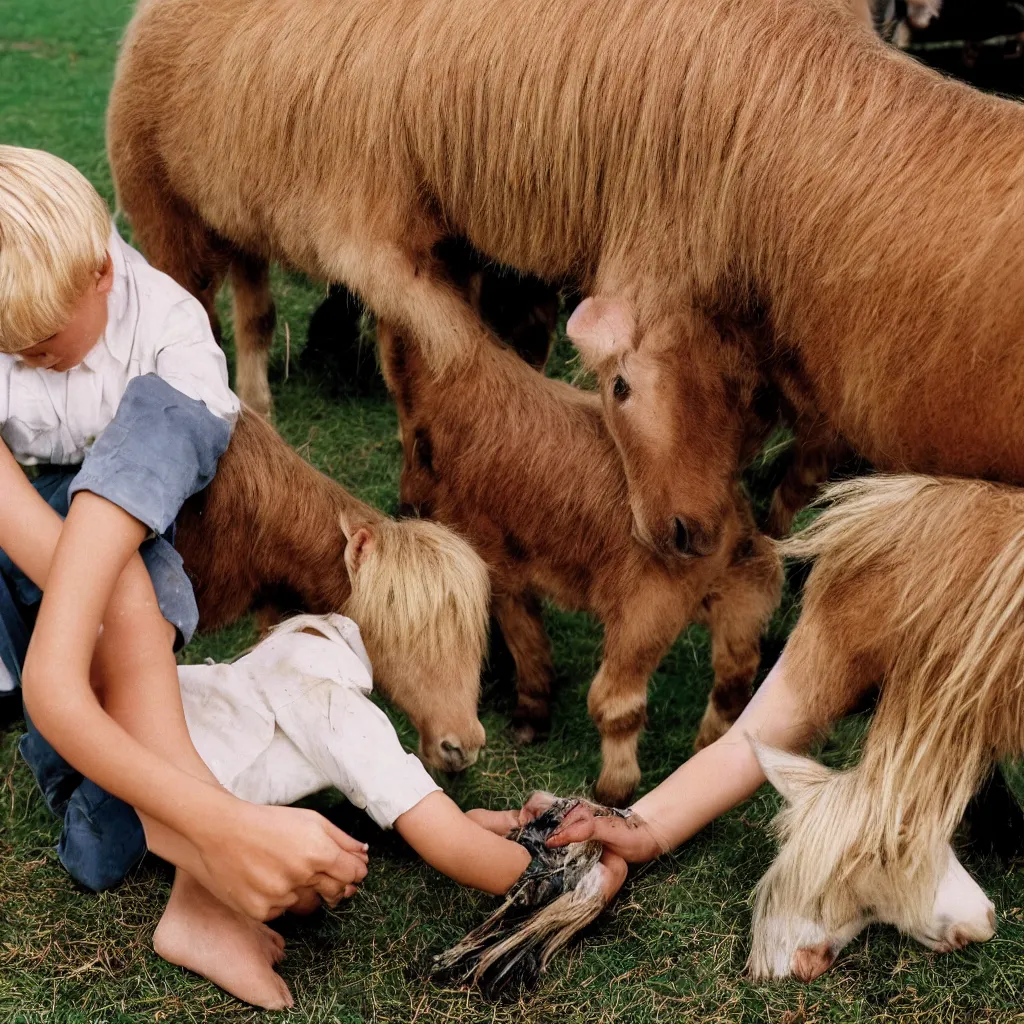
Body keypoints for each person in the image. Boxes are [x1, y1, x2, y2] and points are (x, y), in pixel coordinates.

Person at [0, 145, 369, 1009]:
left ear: (100, 274)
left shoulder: (171, 335)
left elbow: (135, 489)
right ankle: (210, 849)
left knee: (128, 593)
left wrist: (108, 591)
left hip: (119, 511)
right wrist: (225, 826)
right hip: (19, 526)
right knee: (103, 606)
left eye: (43, 344)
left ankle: (195, 891)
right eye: (7, 349)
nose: (30, 360)